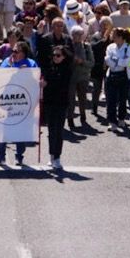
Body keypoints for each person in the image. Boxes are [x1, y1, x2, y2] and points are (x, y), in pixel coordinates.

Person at [41, 42, 73, 170]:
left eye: (58, 55)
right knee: (51, 131)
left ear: (64, 57)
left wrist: (47, 83)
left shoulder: (67, 69)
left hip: (61, 103)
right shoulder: (49, 67)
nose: (55, 57)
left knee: (58, 131)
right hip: (49, 103)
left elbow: (61, 84)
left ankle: (57, 156)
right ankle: (51, 155)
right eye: (54, 55)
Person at [103, 27, 130, 127]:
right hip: (111, 76)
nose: (112, 37)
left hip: (124, 77)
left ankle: (121, 119)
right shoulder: (110, 47)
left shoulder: (129, 47)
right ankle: (112, 121)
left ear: (121, 37)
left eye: (114, 36)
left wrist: (115, 60)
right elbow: (108, 60)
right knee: (111, 100)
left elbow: (126, 62)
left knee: (122, 99)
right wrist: (117, 61)